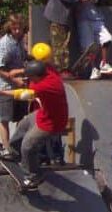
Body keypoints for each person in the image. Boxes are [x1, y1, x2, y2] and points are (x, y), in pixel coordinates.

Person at [0, 47, 68, 189]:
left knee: (28, 145)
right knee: (23, 125)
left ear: (37, 77)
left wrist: (3, 92)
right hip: (44, 113)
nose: (29, 80)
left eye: (31, 78)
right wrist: (20, 71)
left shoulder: (44, 86)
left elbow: (23, 94)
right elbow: (35, 65)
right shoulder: (48, 70)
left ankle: (33, 176)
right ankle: (14, 152)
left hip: (52, 122)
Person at [71, 0, 112, 79]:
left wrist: (95, 0)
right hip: (83, 20)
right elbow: (71, 1)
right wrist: (81, 0)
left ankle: (104, 64)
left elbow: (105, 0)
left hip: (97, 19)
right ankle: (93, 69)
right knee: (89, 47)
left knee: (107, 39)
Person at [0, 13, 28, 157]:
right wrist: (14, 80)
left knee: (21, 117)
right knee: (4, 118)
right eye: (14, 28)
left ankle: (16, 145)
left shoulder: (20, 41)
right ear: (9, 28)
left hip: (20, 85)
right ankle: (5, 147)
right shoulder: (5, 44)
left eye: (19, 28)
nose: (17, 31)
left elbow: (24, 57)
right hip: (6, 86)